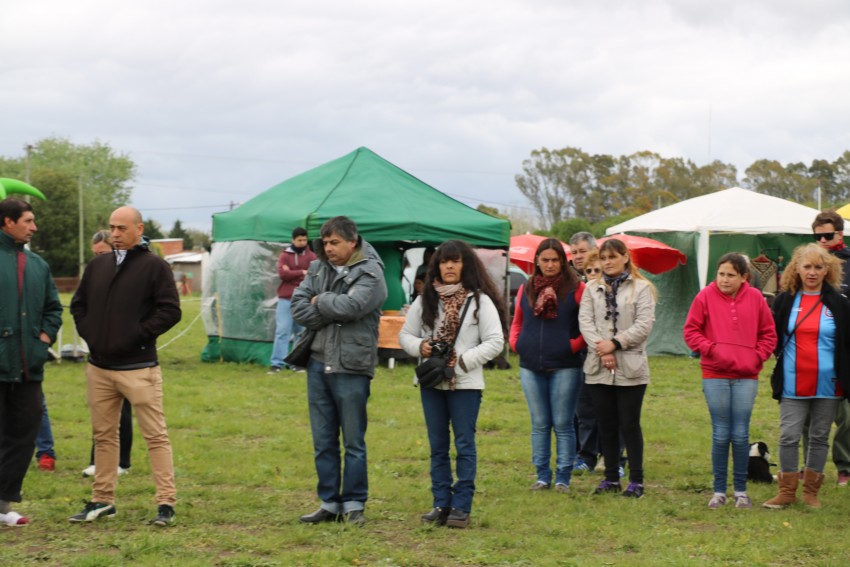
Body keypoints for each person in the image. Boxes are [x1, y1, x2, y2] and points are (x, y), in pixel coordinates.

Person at [69, 207, 182, 526]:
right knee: (104, 436)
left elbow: (170, 310)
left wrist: (136, 335)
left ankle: (166, 503)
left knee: (155, 436)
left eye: (121, 228)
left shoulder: (155, 266)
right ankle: (102, 499)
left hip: (139, 366)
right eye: (111, 227)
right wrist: (92, 335)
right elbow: (79, 305)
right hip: (100, 368)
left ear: (139, 229)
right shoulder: (98, 265)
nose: (115, 233)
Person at [399, 240, 505, 529]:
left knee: (464, 445)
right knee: (437, 446)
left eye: (455, 261)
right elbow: (405, 335)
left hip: (466, 384)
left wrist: (461, 362)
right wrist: (421, 346)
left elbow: (495, 342)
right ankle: (440, 503)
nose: (449, 266)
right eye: (444, 261)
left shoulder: (479, 301)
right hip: (431, 382)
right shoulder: (425, 300)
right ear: (437, 265)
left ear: (465, 265)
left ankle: (461, 507)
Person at [291, 216, 387, 525]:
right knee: (323, 440)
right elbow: (298, 306)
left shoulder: (371, 272)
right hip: (318, 363)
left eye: (334, 243)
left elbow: (353, 307)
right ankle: (329, 503)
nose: (328, 248)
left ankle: (354, 503)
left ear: (353, 242)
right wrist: (329, 306)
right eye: (326, 243)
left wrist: (321, 300)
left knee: (354, 441)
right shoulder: (318, 267)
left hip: (351, 365)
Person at [683, 253, 777, 509]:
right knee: (721, 433)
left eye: (730, 275)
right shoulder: (704, 296)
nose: (724, 280)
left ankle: (741, 491)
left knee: (740, 434)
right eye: (721, 274)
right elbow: (691, 331)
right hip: (715, 375)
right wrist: (712, 350)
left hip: (747, 376)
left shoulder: (756, 298)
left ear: (743, 277)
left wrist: (757, 357)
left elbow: (769, 334)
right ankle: (718, 491)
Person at [763, 244, 850, 509]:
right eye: (807, 266)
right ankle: (787, 491)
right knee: (788, 436)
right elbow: (774, 336)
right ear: (796, 269)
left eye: (818, 267)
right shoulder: (785, 300)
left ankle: (811, 492)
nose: (812, 272)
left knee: (819, 437)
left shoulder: (839, 302)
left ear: (828, 270)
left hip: (829, 383)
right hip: (792, 381)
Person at [0, 198, 63, 527]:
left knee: (23, 436)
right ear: (8, 222)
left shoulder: (39, 265)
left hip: (28, 366)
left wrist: (44, 339)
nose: (34, 227)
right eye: (27, 220)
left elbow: (54, 309)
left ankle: (2, 505)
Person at [579, 238, 656, 498]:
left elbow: (643, 325)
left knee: (629, 424)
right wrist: (603, 349)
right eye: (603, 258)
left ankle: (637, 480)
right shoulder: (591, 289)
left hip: (631, 367)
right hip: (598, 365)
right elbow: (586, 323)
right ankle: (611, 477)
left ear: (625, 257)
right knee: (606, 423)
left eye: (613, 257)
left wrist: (615, 343)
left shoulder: (642, 288)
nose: (608, 262)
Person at [509, 238, 586, 493]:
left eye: (555, 260)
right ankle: (542, 476)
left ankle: (563, 477)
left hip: (565, 364)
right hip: (531, 364)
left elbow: (587, 326)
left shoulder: (577, 288)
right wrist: (516, 343)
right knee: (540, 423)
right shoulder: (526, 288)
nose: (550, 265)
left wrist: (571, 346)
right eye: (545, 260)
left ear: (563, 262)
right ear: (537, 262)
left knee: (563, 423)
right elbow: (517, 320)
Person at [81, 230, 134, 478]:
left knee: (122, 409)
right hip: (99, 349)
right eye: (95, 255)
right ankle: (98, 460)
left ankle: (121, 461)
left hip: (126, 352)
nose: (98, 259)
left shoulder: (129, 273)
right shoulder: (95, 273)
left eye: (102, 253)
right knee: (102, 410)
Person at [811, 211, 850, 486]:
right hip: (815, 347)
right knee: (809, 412)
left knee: (846, 415)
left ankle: (844, 466)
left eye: (827, 234)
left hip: (846, 347)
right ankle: (808, 468)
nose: (822, 240)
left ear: (840, 234)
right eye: (817, 236)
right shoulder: (806, 264)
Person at [269, 227, 317, 373]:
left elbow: (313, 275)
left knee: (301, 332)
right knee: (282, 331)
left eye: (304, 240)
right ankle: (277, 363)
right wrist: (302, 272)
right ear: (293, 240)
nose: (302, 242)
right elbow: (283, 274)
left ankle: (296, 363)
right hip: (286, 298)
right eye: (299, 240)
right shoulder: (284, 255)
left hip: (304, 299)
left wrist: (292, 272)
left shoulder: (312, 256)